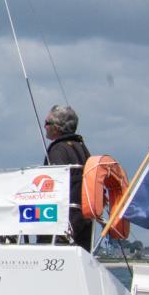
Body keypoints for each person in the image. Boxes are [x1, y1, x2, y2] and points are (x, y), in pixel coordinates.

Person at [43, 104, 92, 248]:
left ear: (56, 127)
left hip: (63, 221)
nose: (44, 126)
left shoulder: (58, 149)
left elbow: (54, 184)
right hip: (84, 219)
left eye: (47, 123)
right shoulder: (82, 148)